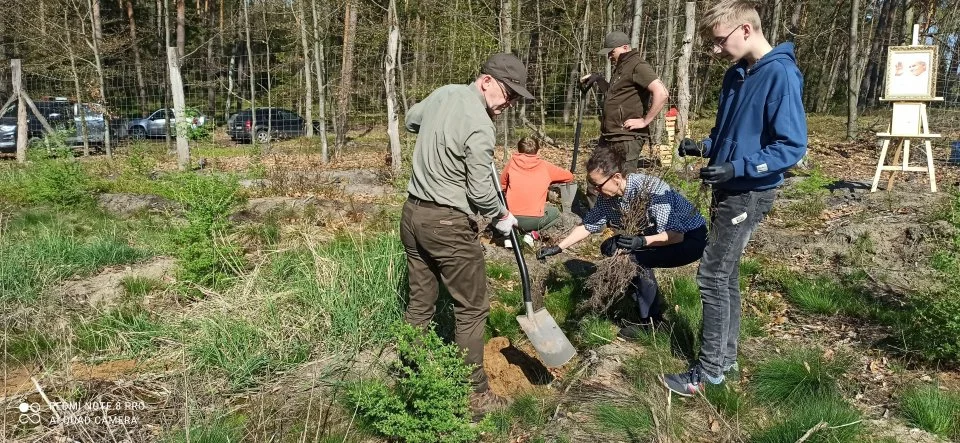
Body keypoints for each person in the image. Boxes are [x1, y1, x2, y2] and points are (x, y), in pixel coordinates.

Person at [664, 0, 808, 397]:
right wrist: (705, 147)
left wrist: (737, 168)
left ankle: (708, 372)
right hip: (727, 188)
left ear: (746, 30)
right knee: (724, 275)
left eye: (720, 40)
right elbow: (730, 132)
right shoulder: (736, 75)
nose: (716, 50)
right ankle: (724, 359)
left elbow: (791, 146)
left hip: (749, 193)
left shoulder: (780, 74)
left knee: (711, 275)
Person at [400, 53, 533, 411]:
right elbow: (478, 191)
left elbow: (412, 121)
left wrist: (439, 132)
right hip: (446, 224)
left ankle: (410, 372)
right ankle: (473, 394)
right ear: (486, 80)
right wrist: (500, 215)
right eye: (508, 93)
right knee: (472, 308)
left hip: (412, 216)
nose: (509, 103)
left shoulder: (444, 93)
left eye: (516, 98)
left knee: (421, 302)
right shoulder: (480, 124)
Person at [536, 148, 707, 337]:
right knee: (610, 247)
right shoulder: (607, 198)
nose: (595, 190)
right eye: (592, 185)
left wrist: (641, 241)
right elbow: (589, 225)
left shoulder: (650, 189)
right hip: (657, 236)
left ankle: (652, 322)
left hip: (690, 239)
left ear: (616, 177)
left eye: (598, 185)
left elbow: (676, 235)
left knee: (634, 260)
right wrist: (558, 247)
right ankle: (638, 298)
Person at [580, 31, 669, 173]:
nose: (609, 56)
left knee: (622, 182)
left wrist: (645, 121)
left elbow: (662, 93)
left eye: (612, 52)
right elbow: (613, 94)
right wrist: (598, 79)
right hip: (610, 134)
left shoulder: (637, 65)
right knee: (596, 177)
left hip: (626, 137)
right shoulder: (621, 67)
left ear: (625, 48)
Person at [499, 136, 574, 244]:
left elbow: (502, 185)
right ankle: (532, 234)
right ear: (538, 151)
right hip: (535, 219)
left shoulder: (511, 163)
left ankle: (512, 235)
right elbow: (569, 177)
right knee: (556, 212)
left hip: (510, 216)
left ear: (518, 149)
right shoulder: (545, 166)